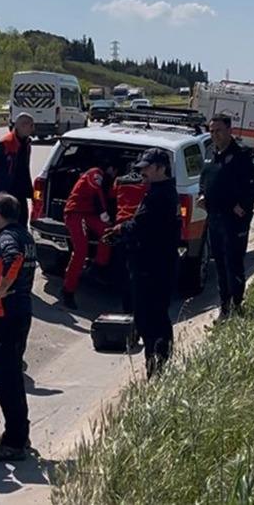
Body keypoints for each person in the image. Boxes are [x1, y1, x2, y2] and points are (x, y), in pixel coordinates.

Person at [105, 148, 180, 379]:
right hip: (153, 264)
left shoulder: (160, 195)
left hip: (153, 267)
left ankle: (157, 370)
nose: (142, 172)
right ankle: (157, 365)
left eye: (147, 168)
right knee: (153, 317)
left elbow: (142, 226)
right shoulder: (157, 191)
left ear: (160, 168)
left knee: (151, 319)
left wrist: (120, 229)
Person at [0, 193, 37, 462]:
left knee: (5, 379)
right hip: (20, 314)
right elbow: (7, 256)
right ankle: (18, 433)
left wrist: (1, 290)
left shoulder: (9, 240)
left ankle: (14, 442)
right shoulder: (22, 234)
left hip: (4, 317)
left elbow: (12, 258)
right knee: (12, 376)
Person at [200, 113, 254, 320]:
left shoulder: (243, 155)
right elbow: (205, 179)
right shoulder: (211, 153)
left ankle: (237, 305)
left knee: (234, 263)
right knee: (220, 264)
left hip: (234, 219)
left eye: (219, 130)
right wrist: (203, 195)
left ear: (230, 130)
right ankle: (225, 307)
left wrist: (245, 204)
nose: (215, 135)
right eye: (212, 131)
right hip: (214, 217)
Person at [60, 158, 117, 309]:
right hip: (75, 212)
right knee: (81, 251)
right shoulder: (95, 173)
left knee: (108, 233)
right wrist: (105, 215)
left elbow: (112, 196)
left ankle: (98, 267)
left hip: (89, 214)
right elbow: (97, 195)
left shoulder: (107, 180)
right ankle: (68, 290)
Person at [109, 169, 149, 313]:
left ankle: (127, 308)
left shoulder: (119, 180)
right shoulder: (147, 183)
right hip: (136, 229)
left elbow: (111, 195)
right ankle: (136, 309)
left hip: (119, 228)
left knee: (123, 272)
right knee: (137, 272)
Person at [0, 113, 35, 224]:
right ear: (22, 126)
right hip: (4, 192)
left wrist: (29, 191)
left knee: (22, 221)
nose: (33, 129)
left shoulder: (26, 143)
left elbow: (25, 169)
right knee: (5, 223)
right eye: (31, 125)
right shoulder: (5, 144)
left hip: (20, 191)